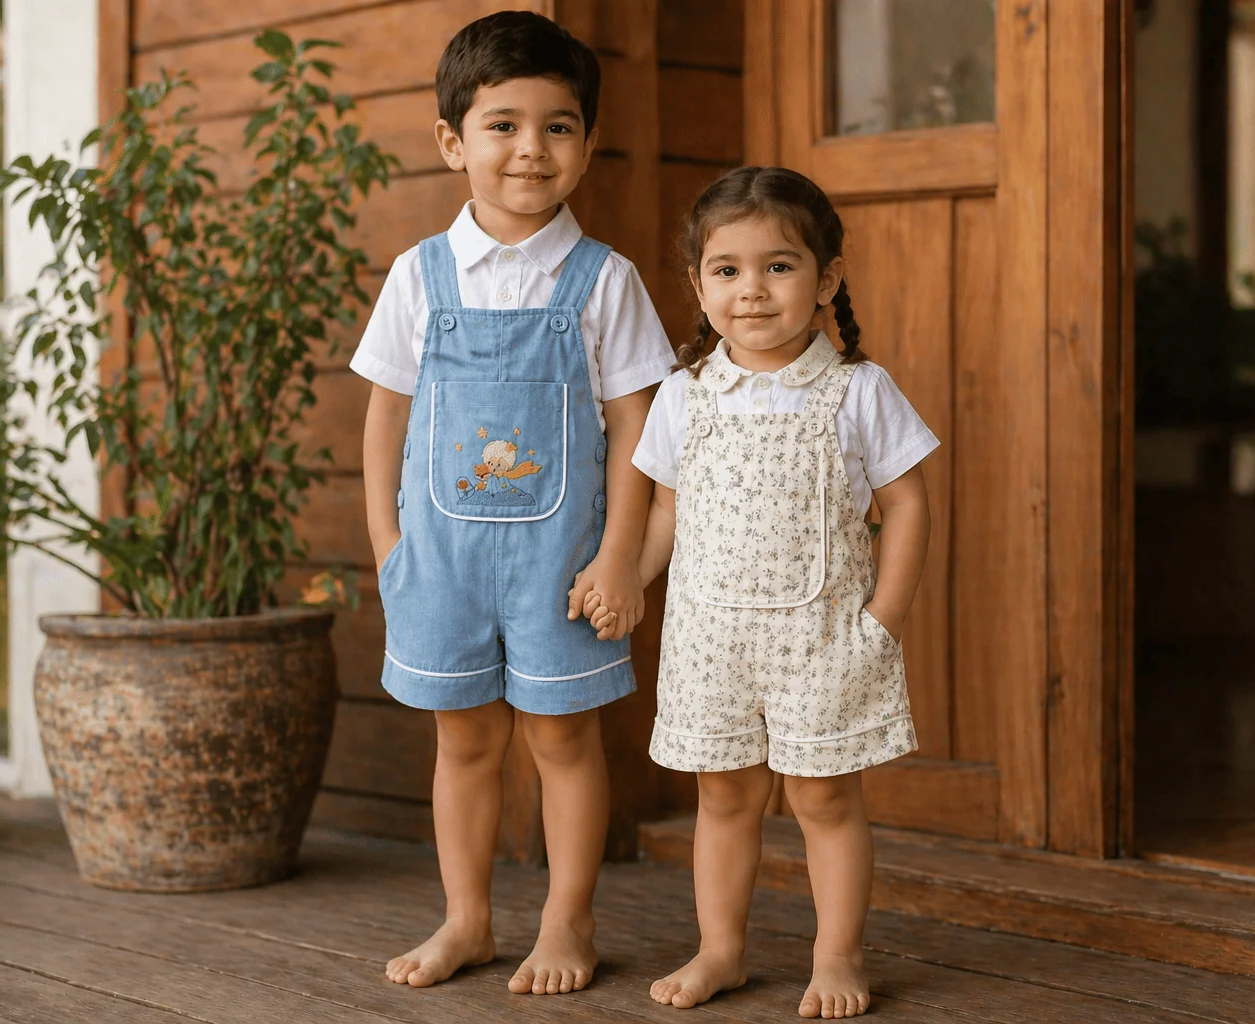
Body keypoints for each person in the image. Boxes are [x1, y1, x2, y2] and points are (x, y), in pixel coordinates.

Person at [352, 10, 668, 996]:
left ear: (587, 139)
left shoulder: (604, 281)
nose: (531, 148)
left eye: (559, 125)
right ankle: (468, 920)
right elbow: (383, 420)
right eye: (502, 124)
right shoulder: (420, 275)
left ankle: (566, 923)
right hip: (439, 560)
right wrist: (387, 545)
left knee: (563, 737)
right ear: (454, 140)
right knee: (465, 737)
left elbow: (638, 431)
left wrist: (620, 556)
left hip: (561, 565)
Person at [578, 166, 936, 1019]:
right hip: (711, 641)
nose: (753, 290)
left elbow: (910, 505)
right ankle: (722, 950)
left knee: (823, 797)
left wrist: (883, 620)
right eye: (727, 270)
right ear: (697, 285)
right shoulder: (682, 395)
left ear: (827, 278)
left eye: (779, 266)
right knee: (725, 795)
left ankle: (837, 953)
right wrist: (629, 572)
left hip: (825, 640)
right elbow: (666, 513)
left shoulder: (858, 389)